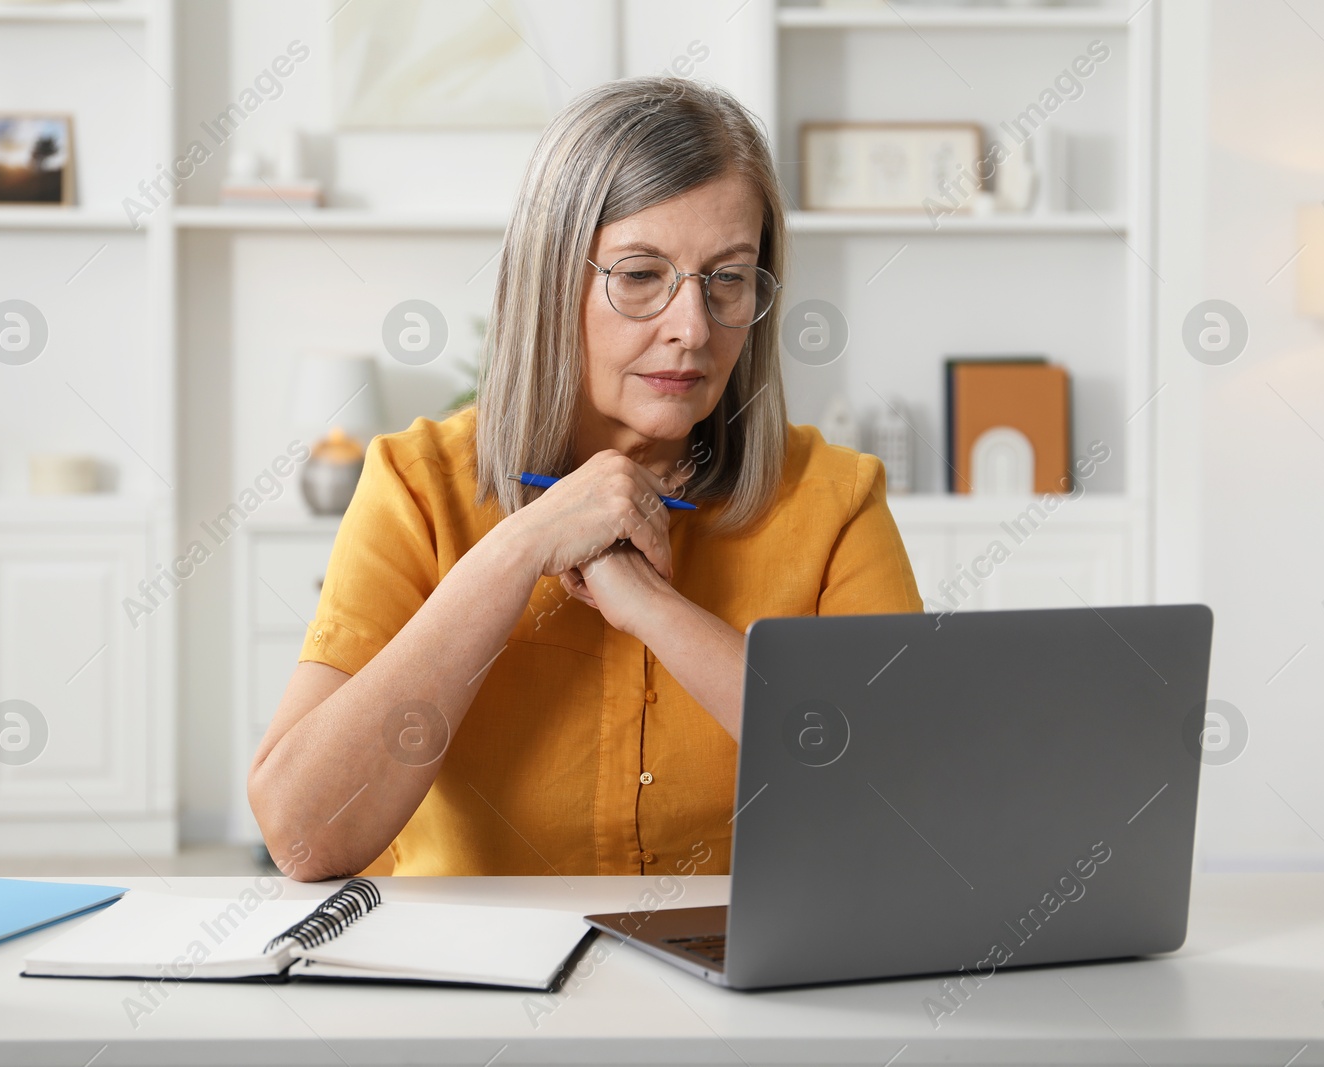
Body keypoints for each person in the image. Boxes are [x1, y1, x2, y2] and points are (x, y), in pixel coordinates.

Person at [248, 75, 922, 881]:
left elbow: (906, 797)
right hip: (475, 992)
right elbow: (304, 835)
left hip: (742, 994)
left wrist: (656, 610)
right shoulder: (415, 484)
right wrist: (519, 547)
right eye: (640, 275)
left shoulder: (835, 499)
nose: (692, 327)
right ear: (548, 280)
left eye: (729, 278)